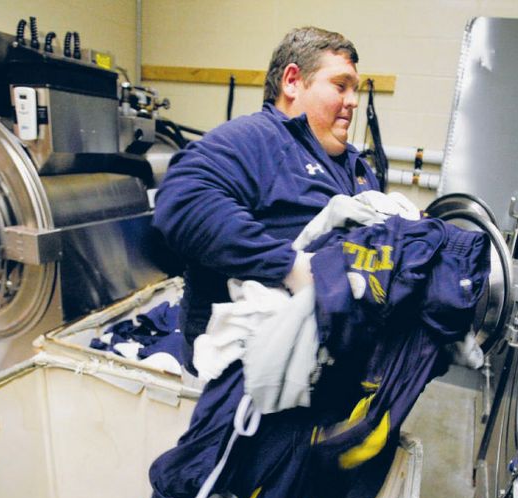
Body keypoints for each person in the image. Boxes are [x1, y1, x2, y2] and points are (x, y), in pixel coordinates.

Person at [153, 26, 379, 370]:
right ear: (292, 81)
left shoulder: (355, 164)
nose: (352, 101)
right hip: (251, 376)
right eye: (340, 86)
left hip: (331, 368)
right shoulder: (258, 139)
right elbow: (183, 200)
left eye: (355, 90)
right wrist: (289, 266)